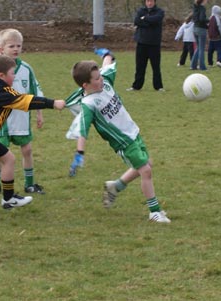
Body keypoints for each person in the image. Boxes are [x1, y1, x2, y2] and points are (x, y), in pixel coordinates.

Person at [66, 48, 170, 223]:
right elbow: (82, 130)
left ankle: (116, 186)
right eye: (97, 78)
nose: (101, 79)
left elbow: (107, 64)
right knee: (146, 170)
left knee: (147, 163)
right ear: (86, 85)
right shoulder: (89, 104)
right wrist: (79, 153)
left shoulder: (105, 82)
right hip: (122, 142)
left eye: (100, 75)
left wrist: (106, 54)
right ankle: (154, 212)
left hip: (133, 132)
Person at [0, 54, 65, 209]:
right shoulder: (3, 92)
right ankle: (8, 199)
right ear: (1, 75)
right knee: (9, 159)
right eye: (12, 73)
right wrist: (54, 103)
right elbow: (28, 101)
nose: (14, 76)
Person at [0, 29, 47, 195]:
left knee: (27, 150)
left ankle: (30, 184)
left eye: (19, 45)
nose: (16, 49)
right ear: (1, 48)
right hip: (0, 121)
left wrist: (39, 113)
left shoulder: (26, 69)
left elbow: (34, 92)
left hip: (21, 118)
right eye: (11, 46)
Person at [126, 0, 165, 92]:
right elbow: (137, 21)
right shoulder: (140, 11)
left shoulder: (160, 11)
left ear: (154, 2)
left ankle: (158, 86)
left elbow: (156, 19)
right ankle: (136, 86)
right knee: (140, 67)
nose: (149, 3)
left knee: (156, 67)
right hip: (141, 43)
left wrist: (145, 18)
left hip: (154, 44)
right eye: (148, 1)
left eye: (151, 1)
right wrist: (148, 21)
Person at [190, 0, 209, 71]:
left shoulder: (195, 7)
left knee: (198, 48)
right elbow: (202, 19)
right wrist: (208, 20)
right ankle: (202, 67)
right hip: (201, 29)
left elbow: (196, 18)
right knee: (201, 49)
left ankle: (193, 65)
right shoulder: (202, 8)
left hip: (195, 28)